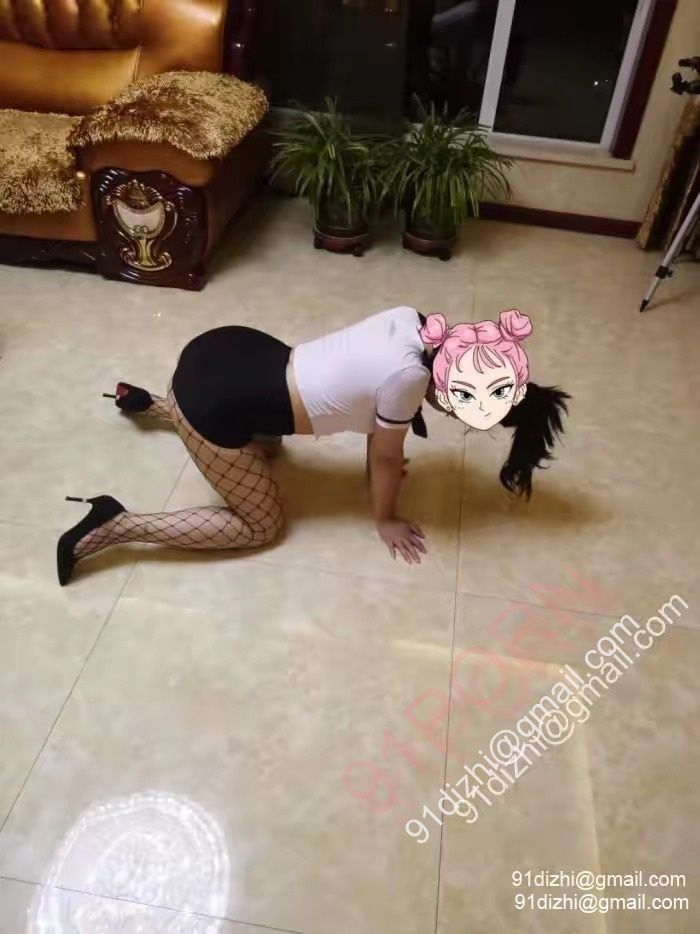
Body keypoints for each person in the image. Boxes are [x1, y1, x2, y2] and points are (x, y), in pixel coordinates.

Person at [57, 306, 569, 584]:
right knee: (262, 526)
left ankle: (150, 403)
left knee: (269, 449)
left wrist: (383, 464)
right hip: (210, 400)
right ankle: (117, 523)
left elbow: (377, 421)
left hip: (231, 349)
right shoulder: (410, 380)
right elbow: (385, 455)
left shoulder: (418, 325)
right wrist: (386, 518)